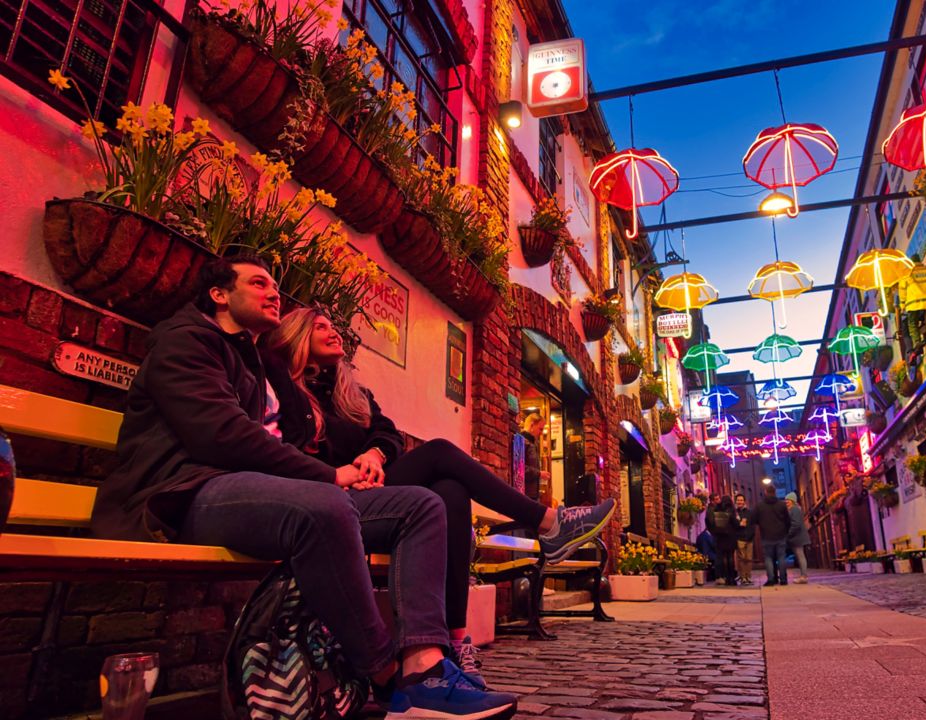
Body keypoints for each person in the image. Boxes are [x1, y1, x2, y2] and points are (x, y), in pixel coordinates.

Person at [90, 256, 517, 718]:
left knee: (422, 505)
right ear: (219, 294)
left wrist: (359, 460)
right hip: (184, 492)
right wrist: (330, 475)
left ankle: (424, 668)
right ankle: (387, 677)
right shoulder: (187, 341)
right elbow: (220, 435)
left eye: (275, 286)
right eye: (258, 283)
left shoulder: (250, 357)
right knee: (325, 507)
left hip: (255, 489)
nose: (274, 293)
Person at [265, 307, 616, 681]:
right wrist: (339, 475)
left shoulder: (353, 393)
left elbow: (387, 435)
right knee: (440, 453)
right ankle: (548, 524)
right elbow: (286, 448)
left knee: (450, 491)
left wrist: (374, 454)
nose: (333, 331)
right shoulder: (283, 385)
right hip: (329, 497)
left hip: (375, 492)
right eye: (320, 327)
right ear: (297, 336)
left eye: (333, 325)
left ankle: (453, 641)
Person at [751, 485, 791, 587]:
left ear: (765, 492)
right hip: (780, 535)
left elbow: (753, 519)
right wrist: (785, 531)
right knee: (781, 557)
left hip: (766, 535)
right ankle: (783, 579)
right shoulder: (781, 505)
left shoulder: (759, 506)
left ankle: (771, 579)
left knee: (768, 557)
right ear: (775, 492)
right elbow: (787, 520)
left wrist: (761, 524)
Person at [705, 495, 737, 585]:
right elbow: (735, 523)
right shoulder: (731, 510)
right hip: (730, 536)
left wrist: (715, 532)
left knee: (724, 558)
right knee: (730, 557)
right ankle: (732, 578)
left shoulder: (718, 509)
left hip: (721, 536)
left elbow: (712, 522)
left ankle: (726, 578)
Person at [785, 492, 811, 584]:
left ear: (793, 501)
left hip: (798, 537)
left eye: (788, 500)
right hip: (796, 537)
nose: (786, 502)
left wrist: (788, 534)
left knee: (800, 556)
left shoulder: (794, 509)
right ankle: (803, 575)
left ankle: (804, 576)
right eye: (786, 500)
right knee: (800, 556)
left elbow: (796, 524)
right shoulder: (792, 509)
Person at [733, 493, 756, 586]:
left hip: (749, 538)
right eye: (738, 500)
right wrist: (739, 524)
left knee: (749, 559)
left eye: (741, 500)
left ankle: (748, 577)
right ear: (736, 501)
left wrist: (752, 535)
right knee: (742, 559)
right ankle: (743, 577)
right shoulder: (734, 513)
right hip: (740, 538)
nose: (740, 502)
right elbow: (733, 526)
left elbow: (752, 525)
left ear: (744, 501)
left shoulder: (749, 512)